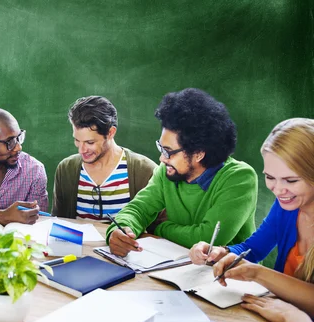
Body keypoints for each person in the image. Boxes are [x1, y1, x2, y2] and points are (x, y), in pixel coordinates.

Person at [189, 118, 314, 322]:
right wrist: (223, 252)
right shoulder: (286, 207)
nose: (279, 190)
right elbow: (252, 248)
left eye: (291, 180)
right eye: (270, 177)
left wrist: (258, 274)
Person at [107, 88, 257, 256]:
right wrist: (120, 229)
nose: (162, 159)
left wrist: (159, 227)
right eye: (161, 148)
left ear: (199, 153)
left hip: (230, 276)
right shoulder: (167, 171)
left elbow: (207, 238)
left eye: (168, 151)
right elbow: (139, 208)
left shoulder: (240, 178)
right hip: (178, 267)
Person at [52, 96, 157, 222]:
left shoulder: (145, 171)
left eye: (90, 142)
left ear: (111, 133)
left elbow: (158, 230)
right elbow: (59, 222)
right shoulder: (66, 169)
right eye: (77, 140)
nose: (81, 150)